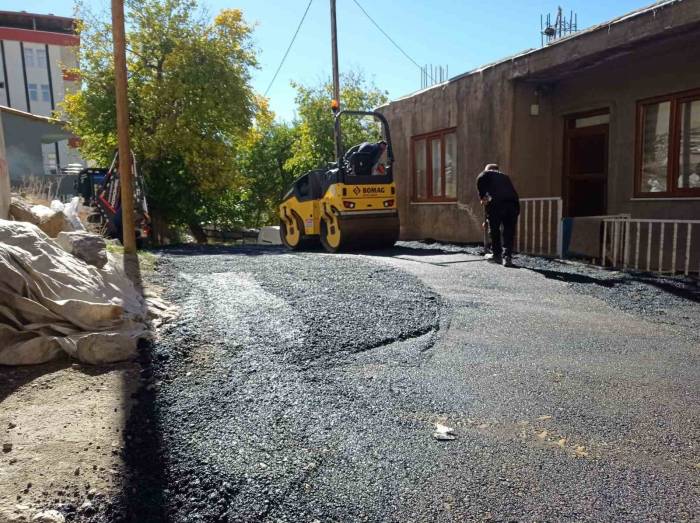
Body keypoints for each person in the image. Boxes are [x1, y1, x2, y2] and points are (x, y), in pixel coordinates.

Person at [476, 163, 520, 267]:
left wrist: (484, 203)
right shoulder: (505, 177)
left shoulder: (483, 175)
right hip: (513, 205)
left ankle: (497, 255)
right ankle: (507, 258)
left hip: (497, 205)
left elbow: (485, 200)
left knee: (494, 230)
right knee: (509, 232)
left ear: (487, 170)